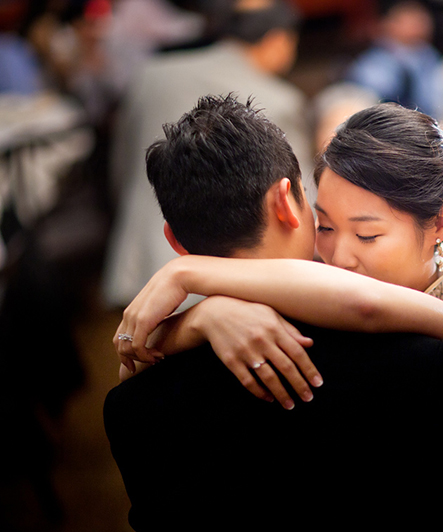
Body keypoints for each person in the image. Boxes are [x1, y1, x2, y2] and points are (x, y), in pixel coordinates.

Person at [106, 95, 443, 532]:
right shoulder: (413, 365)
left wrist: (193, 284)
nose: (340, 257)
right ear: (291, 202)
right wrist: (204, 312)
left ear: (440, 224)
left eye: (367, 235)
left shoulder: (131, 406)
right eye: (324, 225)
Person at [101, 0, 311, 308]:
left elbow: (121, 166)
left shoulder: (152, 75)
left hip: (140, 254)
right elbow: (296, 194)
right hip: (233, 272)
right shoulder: (276, 99)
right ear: (279, 40)